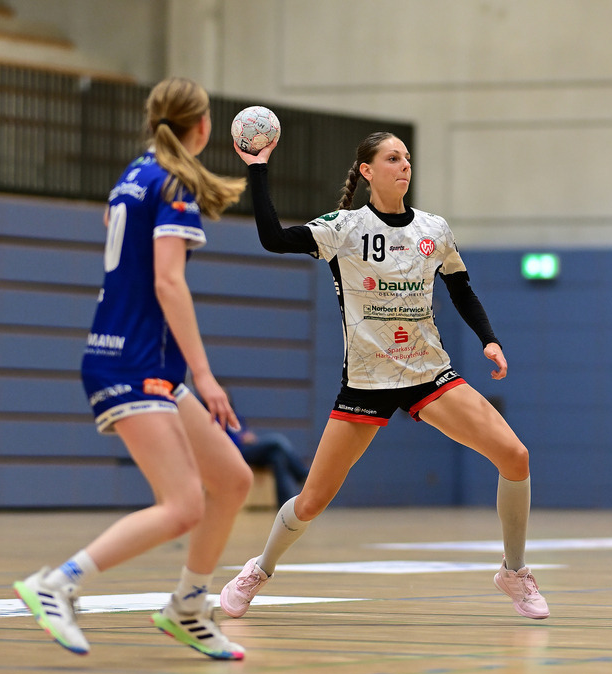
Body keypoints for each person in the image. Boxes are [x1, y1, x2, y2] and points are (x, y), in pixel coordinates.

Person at [219, 131, 549, 620]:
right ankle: (258, 571)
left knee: (515, 455)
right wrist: (258, 166)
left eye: (408, 158)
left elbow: (461, 289)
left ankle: (514, 571)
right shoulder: (343, 228)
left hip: (428, 374)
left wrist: (489, 339)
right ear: (368, 171)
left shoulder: (434, 230)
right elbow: (272, 237)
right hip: (366, 383)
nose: (404, 166)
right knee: (310, 501)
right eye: (393, 158)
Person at [13, 77, 255, 659]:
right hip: (133, 359)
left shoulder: (134, 175)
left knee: (233, 479)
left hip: (144, 360)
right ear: (202, 128)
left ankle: (189, 607)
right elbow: (167, 281)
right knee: (183, 505)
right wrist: (205, 373)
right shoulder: (171, 183)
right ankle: (57, 584)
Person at [227, 405, 310, 508]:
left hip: (249, 448)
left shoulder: (237, 417)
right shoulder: (215, 417)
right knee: (277, 441)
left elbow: (244, 431)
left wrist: (249, 437)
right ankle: (301, 474)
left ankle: (283, 505)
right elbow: (221, 439)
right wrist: (239, 439)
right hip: (236, 452)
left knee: (277, 457)